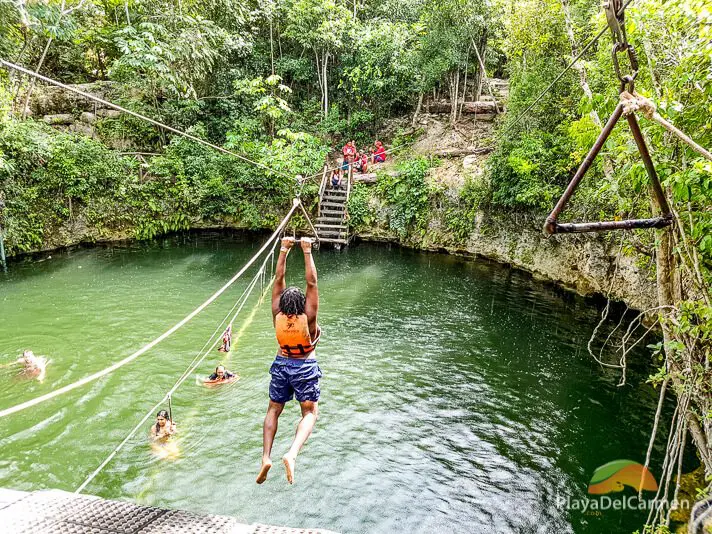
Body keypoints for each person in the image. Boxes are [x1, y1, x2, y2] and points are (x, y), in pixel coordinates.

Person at [256, 236, 321, 485]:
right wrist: (307, 250)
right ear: (303, 304)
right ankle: (292, 454)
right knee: (310, 412)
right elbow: (311, 282)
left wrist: (284, 248)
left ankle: (265, 457)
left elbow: (278, 279)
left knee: (274, 409)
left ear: (282, 303)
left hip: (281, 364)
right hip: (304, 365)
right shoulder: (310, 316)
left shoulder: (276, 313)